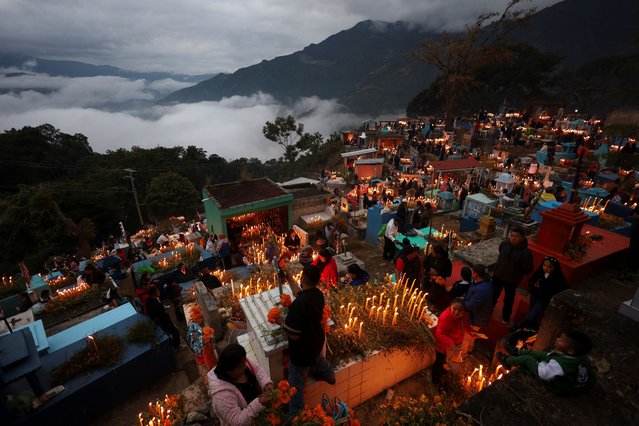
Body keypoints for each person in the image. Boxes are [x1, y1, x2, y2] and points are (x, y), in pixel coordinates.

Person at [284, 265, 335, 415]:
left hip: (301, 353)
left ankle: (297, 414)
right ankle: (330, 375)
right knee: (318, 360)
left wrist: (281, 323)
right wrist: (288, 277)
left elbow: (293, 334)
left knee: (296, 386)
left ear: (303, 278)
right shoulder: (317, 294)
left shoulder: (297, 305)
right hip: (315, 342)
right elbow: (299, 293)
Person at [497, 331, 597, 395]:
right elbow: (593, 377)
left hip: (560, 387)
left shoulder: (560, 365)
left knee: (528, 359)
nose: (557, 339)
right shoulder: (580, 357)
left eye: (561, 340)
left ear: (570, 351)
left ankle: (507, 361)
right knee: (544, 354)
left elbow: (543, 374)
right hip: (574, 379)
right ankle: (517, 352)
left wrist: (539, 363)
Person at [208, 343, 273, 426]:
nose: (245, 367)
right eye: (241, 367)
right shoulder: (221, 396)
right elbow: (237, 421)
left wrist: (266, 383)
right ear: (229, 371)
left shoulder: (240, 362)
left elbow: (256, 369)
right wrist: (259, 404)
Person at [492, 228, 534, 324]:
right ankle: (490, 307)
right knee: (493, 294)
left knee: (509, 299)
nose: (513, 238)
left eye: (516, 236)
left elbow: (528, 268)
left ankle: (506, 316)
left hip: (512, 280)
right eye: (512, 235)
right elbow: (500, 252)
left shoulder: (526, 253)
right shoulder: (505, 244)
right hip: (498, 274)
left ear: (522, 238)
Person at [513, 256, 567, 330]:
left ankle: (518, 325)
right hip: (534, 297)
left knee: (532, 315)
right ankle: (531, 326)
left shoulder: (557, 279)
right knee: (533, 313)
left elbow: (559, 290)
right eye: (544, 265)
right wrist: (532, 288)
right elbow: (532, 280)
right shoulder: (539, 273)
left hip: (543, 301)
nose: (546, 268)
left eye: (549, 266)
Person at [432, 299, 467, 385]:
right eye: (454, 308)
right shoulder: (445, 318)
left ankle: (442, 372)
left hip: (451, 347)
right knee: (439, 362)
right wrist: (451, 343)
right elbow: (439, 334)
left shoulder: (461, 317)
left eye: (460, 310)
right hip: (443, 347)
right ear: (450, 306)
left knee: (444, 362)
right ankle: (435, 381)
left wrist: (471, 331)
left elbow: (462, 326)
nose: (457, 312)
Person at [462, 264, 494, 358]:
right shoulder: (484, 284)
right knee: (472, 334)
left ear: (476, 274)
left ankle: (463, 354)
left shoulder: (482, 289)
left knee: (467, 336)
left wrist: (461, 304)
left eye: (473, 271)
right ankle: (469, 349)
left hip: (477, 317)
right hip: (480, 316)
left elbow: (472, 305)